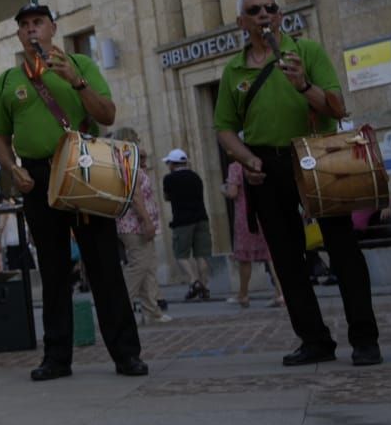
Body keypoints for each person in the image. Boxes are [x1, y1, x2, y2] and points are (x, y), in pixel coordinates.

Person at [214, 0, 380, 366]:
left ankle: (365, 339)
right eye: (254, 10)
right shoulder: (233, 70)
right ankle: (314, 340)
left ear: (281, 16)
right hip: (267, 166)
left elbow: (337, 109)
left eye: (270, 8)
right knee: (287, 259)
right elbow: (224, 129)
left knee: (342, 250)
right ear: (242, 22)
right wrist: (246, 160)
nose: (263, 15)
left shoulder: (307, 52)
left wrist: (304, 85)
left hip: (318, 157)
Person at [0, 2, 146, 380]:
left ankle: (126, 354)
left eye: (38, 23)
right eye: (24, 24)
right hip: (37, 175)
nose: (31, 30)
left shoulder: (82, 65)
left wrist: (76, 80)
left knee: (103, 265)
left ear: (52, 28)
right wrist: (13, 170)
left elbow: (107, 114)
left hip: (82, 166)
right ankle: (57, 358)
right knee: (53, 269)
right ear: (18, 34)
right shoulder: (9, 80)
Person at [112, 133, 170, 324]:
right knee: (139, 266)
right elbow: (136, 196)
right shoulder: (129, 163)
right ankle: (120, 310)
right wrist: (146, 221)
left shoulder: (128, 161)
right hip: (134, 225)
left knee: (148, 268)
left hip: (135, 224)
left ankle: (151, 311)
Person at [223, 160, 283, 309]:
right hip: (266, 211)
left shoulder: (235, 166)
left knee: (245, 257)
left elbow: (233, 192)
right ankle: (281, 293)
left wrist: (223, 190)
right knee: (272, 255)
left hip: (246, 216)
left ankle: (243, 294)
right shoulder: (260, 162)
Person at [162, 149, 214, 301]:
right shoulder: (195, 177)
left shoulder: (169, 179)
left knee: (181, 254)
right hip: (201, 218)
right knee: (201, 254)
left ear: (173, 164)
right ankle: (205, 286)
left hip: (182, 220)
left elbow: (166, 197)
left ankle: (194, 281)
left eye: (168, 163)